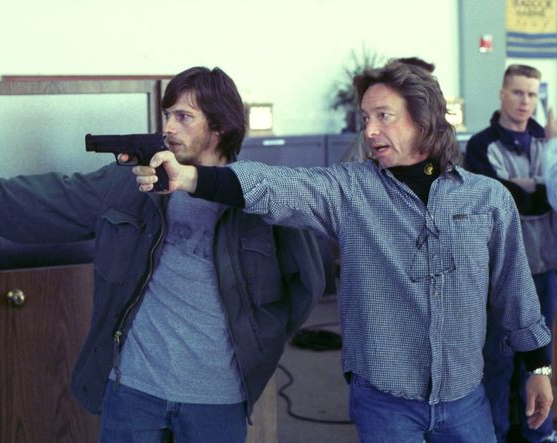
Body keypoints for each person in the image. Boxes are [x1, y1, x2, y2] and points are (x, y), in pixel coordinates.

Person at [133, 60, 554, 442]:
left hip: (465, 399)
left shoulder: (487, 199)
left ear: (423, 119)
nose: (369, 131)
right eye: (365, 118)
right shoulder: (351, 191)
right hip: (385, 403)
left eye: (383, 116)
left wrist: (538, 368)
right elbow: (276, 187)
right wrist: (191, 178)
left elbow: (515, 290)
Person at [0, 66, 325, 443]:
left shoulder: (260, 195)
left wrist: (257, 344)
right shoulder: (132, 184)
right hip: (134, 389)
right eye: (167, 115)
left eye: (184, 117)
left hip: (217, 398)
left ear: (218, 127)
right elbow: (49, 198)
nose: (168, 127)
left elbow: (306, 285)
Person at [464, 64, 557, 443]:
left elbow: (546, 196)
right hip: (498, 274)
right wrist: (533, 187)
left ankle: (540, 434)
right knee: (498, 362)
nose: (525, 101)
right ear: (502, 94)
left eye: (532, 94)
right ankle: (495, 435)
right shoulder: (480, 145)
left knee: (538, 363)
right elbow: (498, 200)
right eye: (518, 92)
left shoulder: (547, 142)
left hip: (544, 267)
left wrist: (524, 188)